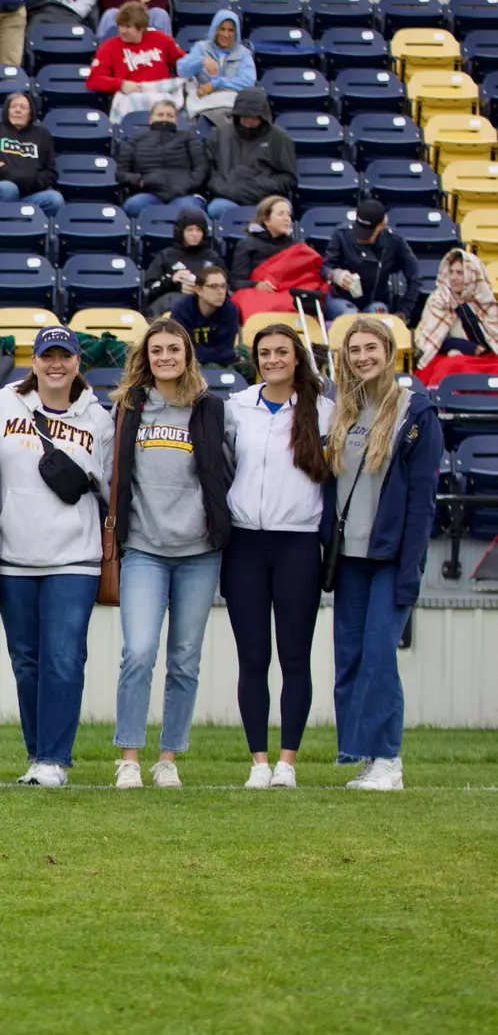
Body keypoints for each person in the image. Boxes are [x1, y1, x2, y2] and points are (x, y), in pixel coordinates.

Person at [0, 326, 115, 787]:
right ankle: (36, 755)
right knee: (26, 661)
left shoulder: (99, 419)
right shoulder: (3, 404)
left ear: (79, 362)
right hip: (14, 555)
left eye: (65, 356)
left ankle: (54, 760)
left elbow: (109, 490)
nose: (56, 364)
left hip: (74, 558)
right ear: (34, 361)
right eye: (47, 356)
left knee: (63, 658)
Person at [108, 320, 232, 789]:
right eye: (156, 350)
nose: (165, 357)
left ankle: (168, 758)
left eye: (173, 349)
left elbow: (226, 470)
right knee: (139, 652)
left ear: (187, 355)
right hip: (144, 548)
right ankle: (129, 758)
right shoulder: (130, 406)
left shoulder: (210, 408)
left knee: (184, 659)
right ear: (147, 357)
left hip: (199, 552)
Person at [324, 316, 442, 791]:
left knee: (378, 656)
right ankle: (366, 756)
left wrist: (411, 567)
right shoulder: (341, 409)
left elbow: (422, 501)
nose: (362, 357)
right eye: (354, 350)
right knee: (350, 658)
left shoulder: (417, 413)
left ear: (389, 352)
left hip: (391, 559)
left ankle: (389, 759)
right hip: (348, 560)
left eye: (370, 348)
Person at [222, 323, 333, 789]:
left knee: (294, 657)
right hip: (244, 544)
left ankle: (287, 762)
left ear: (297, 357)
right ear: (256, 360)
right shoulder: (236, 408)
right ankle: (259, 762)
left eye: (281, 352)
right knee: (252, 658)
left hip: (298, 545)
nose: (273, 360)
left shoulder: (324, 410)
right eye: (265, 353)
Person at [84, 1, 186, 124]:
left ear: (141, 28)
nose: (122, 31)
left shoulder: (161, 40)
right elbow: (93, 80)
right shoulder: (109, 47)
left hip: (161, 95)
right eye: (120, 25)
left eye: (128, 27)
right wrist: (121, 84)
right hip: (130, 97)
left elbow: (185, 64)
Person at [203, 86, 295, 220]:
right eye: (244, 115)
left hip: (267, 199)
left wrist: (255, 187)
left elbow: (288, 178)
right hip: (228, 198)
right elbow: (209, 171)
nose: (248, 120)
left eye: (253, 116)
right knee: (217, 209)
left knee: (279, 213)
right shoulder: (219, 134)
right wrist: (230, 188)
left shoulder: (279, 138)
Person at [228, 195, 326, 321]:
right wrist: (256, 285)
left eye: (288, 215)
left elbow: (311, 275)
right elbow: (236, 282)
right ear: (266, 220)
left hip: (290, 293)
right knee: (245, 299)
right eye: (281, 214)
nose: (287, 219)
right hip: (261, 294)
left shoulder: (297, 246)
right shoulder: (247, 245)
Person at [321, 200, 420, 319]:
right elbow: (325, 267)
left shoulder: (394, 240)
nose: (360, 237)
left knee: (377, 320)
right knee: (351, 317)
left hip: (376, 301)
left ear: (380, 227)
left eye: (367, 233)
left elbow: (415, 278)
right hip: (341, 298)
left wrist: (404, 312)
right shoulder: (341, 234)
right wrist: (336, 275)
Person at [117, 99, 208, 218]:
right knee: (134, 205)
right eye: (160, 115)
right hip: (149, 193)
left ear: (176, 120)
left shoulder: (188, 138)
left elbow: (201, 167)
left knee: (191, 211)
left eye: (170, 115)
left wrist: (187, 184)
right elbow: (121, 173)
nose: (165, 119)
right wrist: (139, 181)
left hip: (184, 194)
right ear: (150, 119)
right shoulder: (135, 140)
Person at [415, 248, 498, 368]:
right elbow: (429, 342)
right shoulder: (439, 300)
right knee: (455, 365)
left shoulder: (482, 300)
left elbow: (488, 342)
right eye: (451, 272)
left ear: (471, 275)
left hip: (482, 357)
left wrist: (463, 307)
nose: (453, 278)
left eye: (459, 273)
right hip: (446, 355)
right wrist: (462, 345)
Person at [143, 206, 222, 318]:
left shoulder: (212, 257)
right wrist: (172, 281)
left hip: (206, 310)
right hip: (170, 311)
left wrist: (202, 289)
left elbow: (225, 289)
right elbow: (150, 290)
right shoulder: (166, 256)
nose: (195, 234)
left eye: (198, 230)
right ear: (181, 231)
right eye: (190, 230)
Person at [176, 10, 256, 119]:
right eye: (222, 29)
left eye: (231, 30)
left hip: (232, 104)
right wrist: (201, 61)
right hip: (203, 103)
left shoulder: (244, 54)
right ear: (215, 29)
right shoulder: (201, 47)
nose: (226, 34)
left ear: (236, 33)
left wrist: (216, 84)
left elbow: (248, 82)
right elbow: (181, 70)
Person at [171, 266, 242, 368]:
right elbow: (182, 350)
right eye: (214, 286)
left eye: (223, 286)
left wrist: (204, 353)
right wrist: (222, 355)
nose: (221, 292)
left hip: (219, 364)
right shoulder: (182, 309)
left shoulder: (230, 310)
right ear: (198, 290)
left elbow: (227, 350)